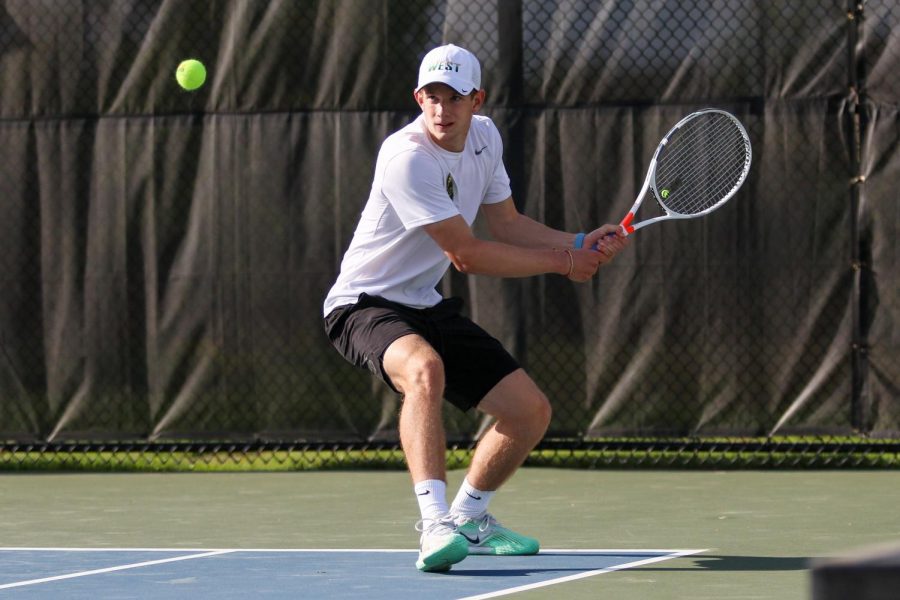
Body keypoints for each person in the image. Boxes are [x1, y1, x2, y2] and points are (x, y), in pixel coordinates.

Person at [323, 43, 629, 572]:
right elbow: (466, 254)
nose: (442, 110)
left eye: (455, 97)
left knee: (529, 412)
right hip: (363, 303)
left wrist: (579, 241)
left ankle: (469, 516)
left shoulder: (486, 139)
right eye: (432, 97)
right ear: (419, 98)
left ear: (477, 100)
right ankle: (435, 523)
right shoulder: (407, 157)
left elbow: (507, 224)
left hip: (424, 302)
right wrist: (563, 262)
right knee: (424, 370)